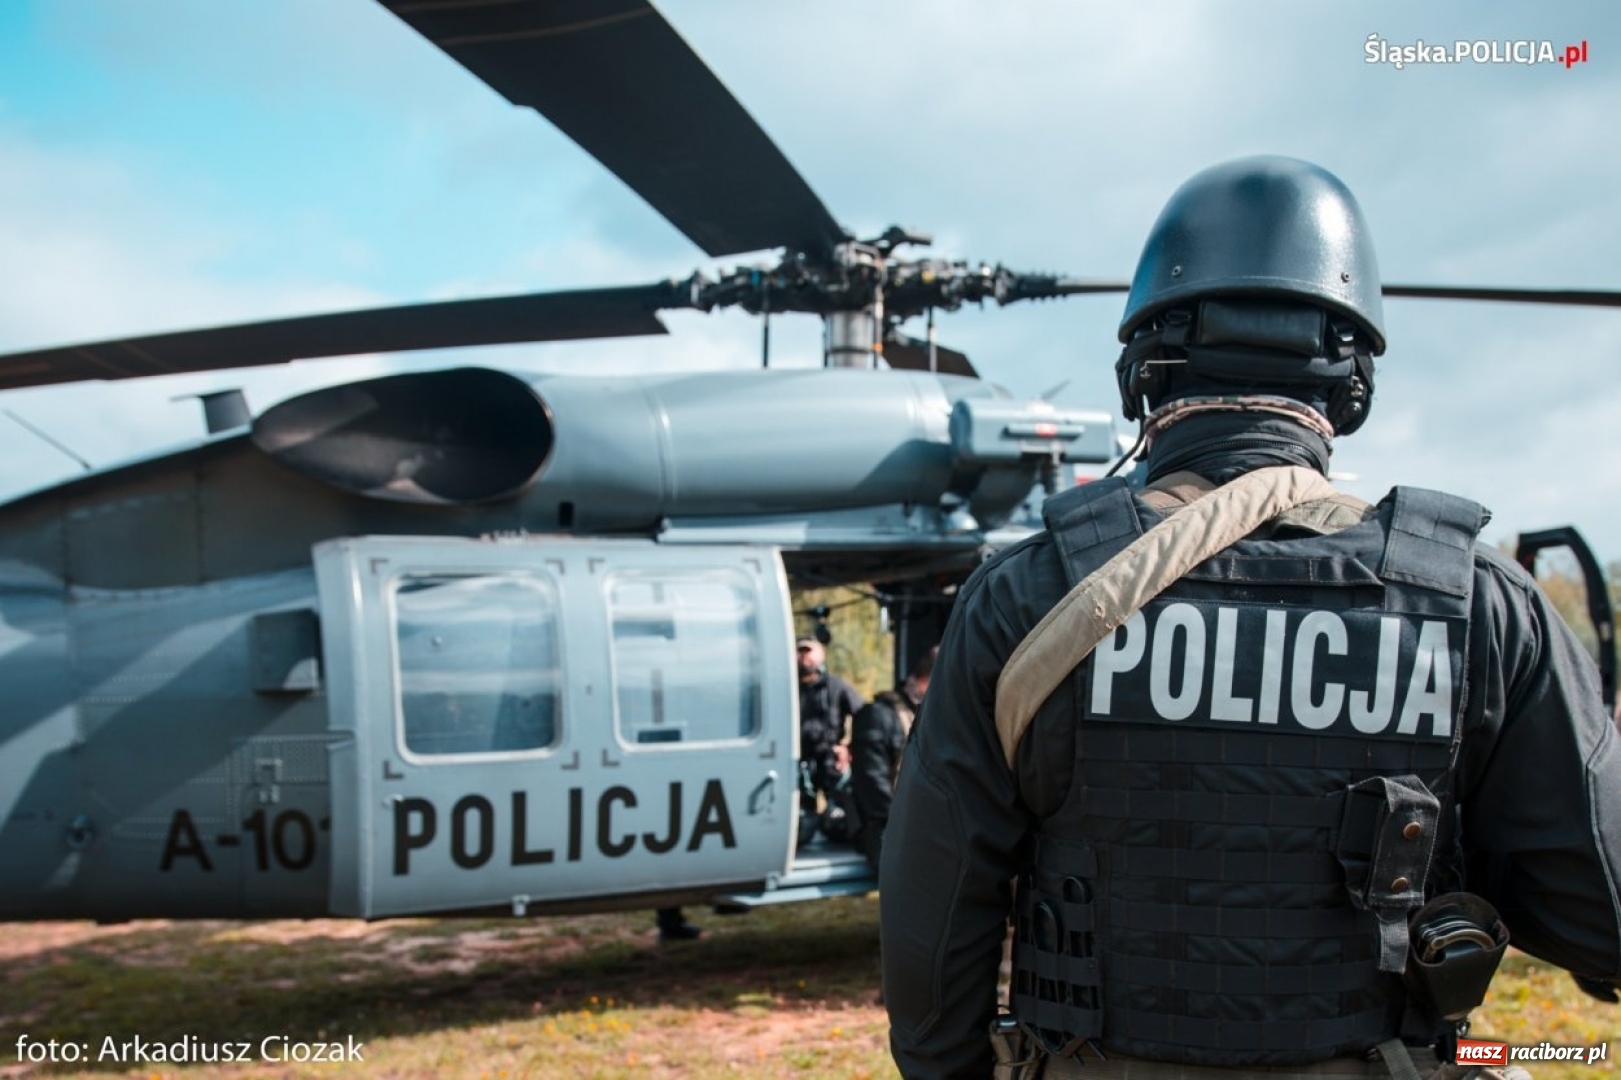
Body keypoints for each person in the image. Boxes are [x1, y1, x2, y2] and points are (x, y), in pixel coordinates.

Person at [879, 156, 1621, 1080]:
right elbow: (1601, 907)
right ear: (1351, 383)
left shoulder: (1025, 597)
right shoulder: (1477, 606)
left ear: (1138, 375)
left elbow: (932, 916)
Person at [850, 645, 936, 872]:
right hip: (890, 830)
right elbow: (872, 782)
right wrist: (904, 825)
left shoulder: (930, 714)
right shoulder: (879, 716)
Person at [796, 635, 866, 811]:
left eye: (809, 651)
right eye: (799, 652)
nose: (804, 657)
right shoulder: (786, 688)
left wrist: (848, 748)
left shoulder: (835, 686)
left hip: (831, 760)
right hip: (797, 761)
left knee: (840, 814)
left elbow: (865, 716)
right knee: (800, 820)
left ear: (821, 655)